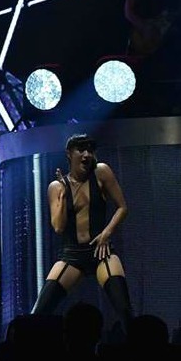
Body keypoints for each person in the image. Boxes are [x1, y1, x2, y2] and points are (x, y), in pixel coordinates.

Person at [31, 134, 133, 338]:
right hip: (72, 255)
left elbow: (122, 207)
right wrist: (63, 196)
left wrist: (106, 233)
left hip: (101, 251)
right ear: (69, 154)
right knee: (38, 313)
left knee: (124, 309)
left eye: (90, 150)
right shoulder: (56, 187)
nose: (87, 155)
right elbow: (58, 227)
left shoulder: (101, 172)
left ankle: (138, 350)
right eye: (81, 150)